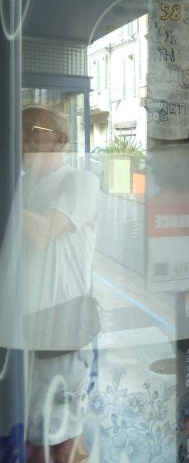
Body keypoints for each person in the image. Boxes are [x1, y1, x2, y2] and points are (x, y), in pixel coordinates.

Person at [20, 105, 100, 462]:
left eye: (29, 130)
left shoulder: (79, 182)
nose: (20, 139)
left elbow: (44, 231)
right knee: (32, 439)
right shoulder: (21, 186)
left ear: (60, 140)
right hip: (25, 336)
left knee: (63, 445)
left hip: (61, 334)